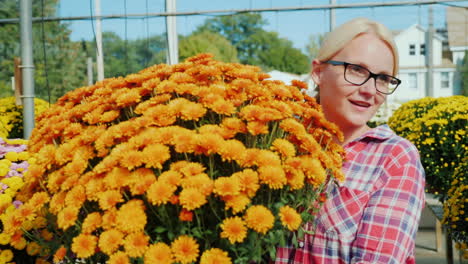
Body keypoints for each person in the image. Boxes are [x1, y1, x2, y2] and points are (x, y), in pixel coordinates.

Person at [275, 18, 426, 264]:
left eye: (383, 78)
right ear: (318, 72)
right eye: (357, 70)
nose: (370, 90)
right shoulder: (277, 140)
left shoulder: (395, 159)